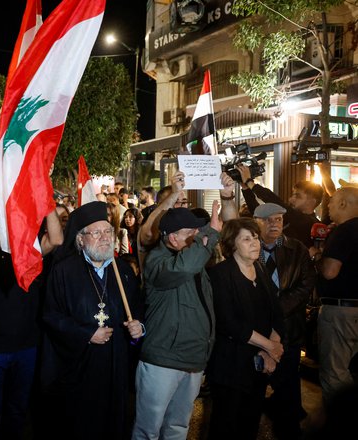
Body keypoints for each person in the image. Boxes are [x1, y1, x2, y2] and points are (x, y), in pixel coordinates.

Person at [132, 171, 236, 440]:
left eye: (197, 230)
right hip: (162, 363)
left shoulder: (195, 259)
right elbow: (183, 265)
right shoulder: (159, 261)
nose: (197, 236)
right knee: (148, 431)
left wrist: (226, 199)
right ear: (171, 238)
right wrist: (209, 232)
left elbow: (232, 231)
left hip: (192, 361)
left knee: (179, 427)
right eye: (190, 232)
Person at [41, 201, 145, 440]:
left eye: (108, 231)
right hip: (79, 367)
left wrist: (139, 326)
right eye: (96, 233)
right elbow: (51, 316)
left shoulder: (123, 271)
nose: (105, 238)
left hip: (115, 365)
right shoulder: (64, 271)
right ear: (80, 239)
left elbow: (138, 309)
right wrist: (86, 333)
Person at [0, 197, 62, 439]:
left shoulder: (28, 247)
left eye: (4, 216)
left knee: (17, 412)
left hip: (26, 348)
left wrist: (46, 198)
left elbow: (56, 238)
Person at [206, 218, 285, 440]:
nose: (254, 243)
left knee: (250, 424)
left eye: (256, 238)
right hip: (231, 363)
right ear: (232, 244)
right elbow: (228, 322)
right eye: (246, 239)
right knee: (225, 425)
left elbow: (277, 312)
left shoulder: (260, 269)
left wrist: (271, 350)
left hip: (259, 363)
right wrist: (269, 346)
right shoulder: (220, 274)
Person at [252, 203, 316, 439]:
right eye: (268, 220)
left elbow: (306, 285)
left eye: (278, 219)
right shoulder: (249, 247)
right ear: (256, 222)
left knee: (288, 384)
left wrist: (277, 311)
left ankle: (289, 430)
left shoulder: (296, 249)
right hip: (255, 330)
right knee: (254, 385)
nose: (274, 224)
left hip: (289, 328)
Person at [310, 187, 358, 405]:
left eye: (331, 202)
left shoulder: (345, 230)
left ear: (343, 204)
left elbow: (330, 272)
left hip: (341, 311)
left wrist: (317, 257)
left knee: (335, 374)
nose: (327, 206)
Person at [238, 164, 323, 247]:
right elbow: (258, 212)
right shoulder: (289, 218)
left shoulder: (311, 223)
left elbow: (275, 201)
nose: (291, 199)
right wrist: (245, 188)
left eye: (297, 196)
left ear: (311, 202)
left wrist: (249, 182)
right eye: (293, 195)